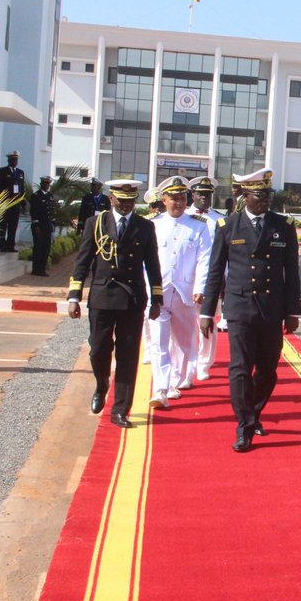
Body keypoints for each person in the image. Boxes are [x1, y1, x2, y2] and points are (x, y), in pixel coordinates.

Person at [199, 168, 301, 453]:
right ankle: (244, 427)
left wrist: (293, 311)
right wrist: (207, 311)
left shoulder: (283, 226)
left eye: (268, 194)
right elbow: (215, 272)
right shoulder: (228, 227)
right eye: (260, 195)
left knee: (268, 371)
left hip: (272, 308)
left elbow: (291, 272)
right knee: (240, 369)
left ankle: (253, 412)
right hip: (240, 306)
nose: (266, 200)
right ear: (246, 196)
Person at [67, 179, 163, 428]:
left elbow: (152, 265)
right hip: (102, 296)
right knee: (98, 349)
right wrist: (74, 296)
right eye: (121, 201)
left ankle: (120, 409)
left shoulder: (144, 227)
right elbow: (83, 261)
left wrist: (157, 299)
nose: (126, 205)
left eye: (131, 201)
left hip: (131, 298)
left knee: (128, 355)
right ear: (111, 199)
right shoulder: (96, 223)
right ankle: (101, 384)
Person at [147, 176, 211, 409]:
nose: (179, 202)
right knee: (159, 341)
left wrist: (200, 287)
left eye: (182, 198)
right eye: (174, 198)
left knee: (184, 341)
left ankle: (179, 378)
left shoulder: (198, 225)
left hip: (185, 292)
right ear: (164, 200)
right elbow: (146, 260)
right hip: (159, 293)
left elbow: (205, 259)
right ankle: (161, 388)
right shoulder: (152, 225)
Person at [188, 176, 226, 381]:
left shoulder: (219, 220)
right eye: (200, 194)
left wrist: (225, 279)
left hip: (210, 281)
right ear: (192, 194)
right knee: (184, 324)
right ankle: (187, 360)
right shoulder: (183, 217)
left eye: (208, 194)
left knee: (207, 322)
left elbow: (224, 254)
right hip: (185, 279)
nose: (204, 197)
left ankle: (204, 363)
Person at [0, 151, 27, 251]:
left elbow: (21, 188)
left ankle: (11, 245)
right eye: (12, 159)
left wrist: (23, 201)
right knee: (3, 225)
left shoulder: (20, 172)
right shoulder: (2, 171)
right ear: (8, 160)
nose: (14, 161)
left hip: (15, 203)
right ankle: (2, 245)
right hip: (5, 202)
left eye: (16, 159)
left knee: (13, 225)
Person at [28, 176, 57, 276]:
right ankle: (36, 269)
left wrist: (53, 224)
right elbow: (34, 212)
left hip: (47, 226)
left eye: (48, 184)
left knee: (46, 248)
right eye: (45, 184)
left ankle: (42, 268)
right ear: (41, 184)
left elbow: (52, 211)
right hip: (39, 227)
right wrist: (36, 225)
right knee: (38, 248)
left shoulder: (50, 195)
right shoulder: (36, 196)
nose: (46, 186)